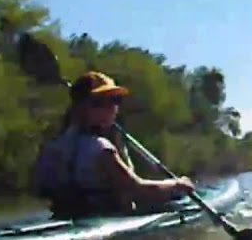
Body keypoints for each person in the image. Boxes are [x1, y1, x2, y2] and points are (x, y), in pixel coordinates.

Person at [31, 70, 194, 218]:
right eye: (102, 102)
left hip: (66, 216)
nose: (113, 108)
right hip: (102, 220)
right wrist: (176, 185)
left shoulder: (54, 147)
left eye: (116, 100)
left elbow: (40, 189)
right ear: (83, 108)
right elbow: (137, 190)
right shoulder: (102, 149)